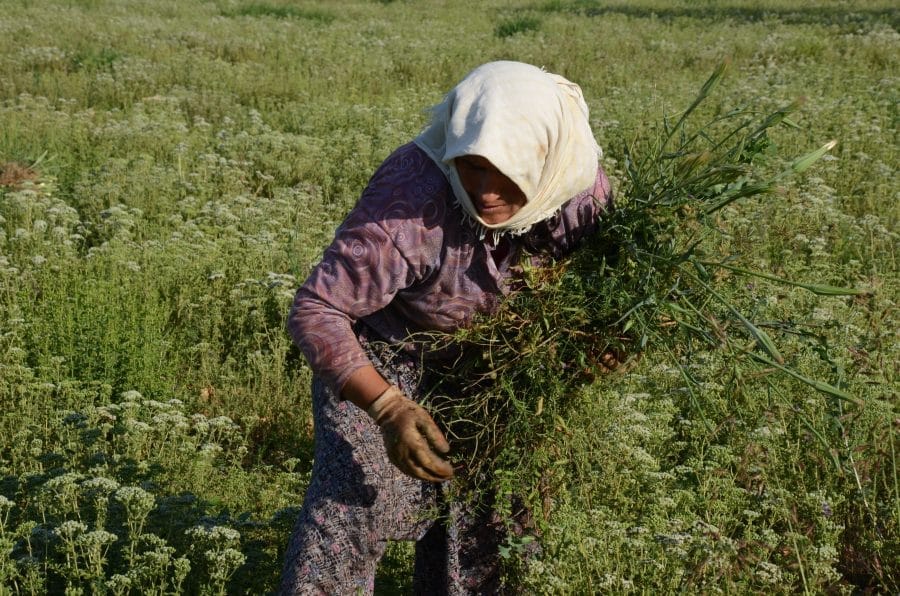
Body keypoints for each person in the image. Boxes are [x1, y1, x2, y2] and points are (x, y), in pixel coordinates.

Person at [280, 60, 614, 595]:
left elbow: (608, 293)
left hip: (496, 361)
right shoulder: (414, 198)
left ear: (548, 162)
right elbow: (317, 309)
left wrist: (602, 342)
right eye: (472, 167)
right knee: (353, 503)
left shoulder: (580, 194)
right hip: (385, 350)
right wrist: (389, 408)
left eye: (507, 171)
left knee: (494, 515)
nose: (484, 190)